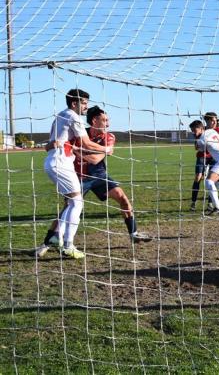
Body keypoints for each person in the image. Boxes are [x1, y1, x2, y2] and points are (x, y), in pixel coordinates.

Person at [36, 106, 152, 257]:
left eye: (108, 120)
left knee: (123, 198)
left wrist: (75, 150)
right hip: (78, 176)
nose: (108, 124)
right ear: (94, 120)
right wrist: (60, 145)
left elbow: (96, 159)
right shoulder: (79, 132)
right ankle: (47, 243)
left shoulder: (109, 137)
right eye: (104, 120)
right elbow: (56, 144)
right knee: (67, 209)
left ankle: (133, 233)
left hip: (99, 176)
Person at [40, 89, 113, 259]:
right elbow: (86, 143)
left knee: (72, 202)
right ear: (74, 103)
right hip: (61, 163)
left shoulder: (60, 116)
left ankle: (57, 237)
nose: (86, 107)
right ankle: (67, 245)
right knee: (76, 203)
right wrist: (106, 149)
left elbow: (48, 145)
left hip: (54, 162)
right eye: (84, 103)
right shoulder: (73, 117)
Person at [189, 120, 215, 211]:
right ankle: (193, 202)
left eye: (194, 130)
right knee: (198, 178)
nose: (193, 132)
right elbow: (196, 148)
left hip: (212, 157)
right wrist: (197, 142)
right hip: (201, 157)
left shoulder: (209, 133)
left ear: (201, 128)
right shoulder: (196, 135)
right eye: (192, 130)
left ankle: (210, 203)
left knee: (211, 180)